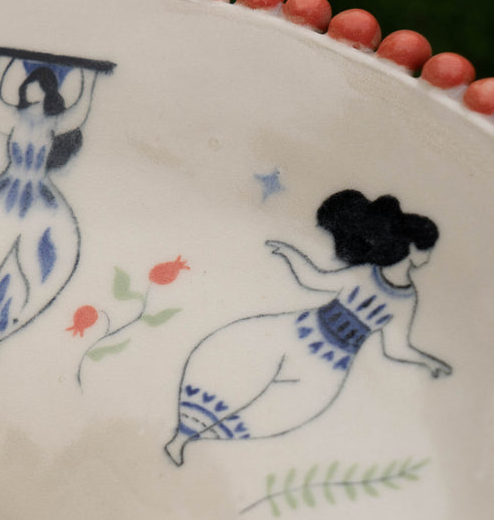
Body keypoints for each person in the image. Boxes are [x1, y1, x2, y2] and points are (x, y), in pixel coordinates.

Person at [165, 190, 450, 465]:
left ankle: (187, 441)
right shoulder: (367, 274)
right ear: (411, 247)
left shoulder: (405, 300)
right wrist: (289, 252)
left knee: (282, 409)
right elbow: (316, 280)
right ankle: (180, 436)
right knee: (234, 364)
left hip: (330, 362)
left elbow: (396, 347)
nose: (428, 256)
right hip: (300, 331)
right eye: (427, 248)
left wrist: (429, 362)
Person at [0, 55, 106, 362]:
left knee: (36, 263)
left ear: (50, 93)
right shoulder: (15, 117)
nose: (31, 94)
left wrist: (90, 78)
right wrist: (1, 65)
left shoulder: (55, 122)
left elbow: (80, 110)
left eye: (38, 89)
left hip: (38, 199)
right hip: (3, 193)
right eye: (28, 88)